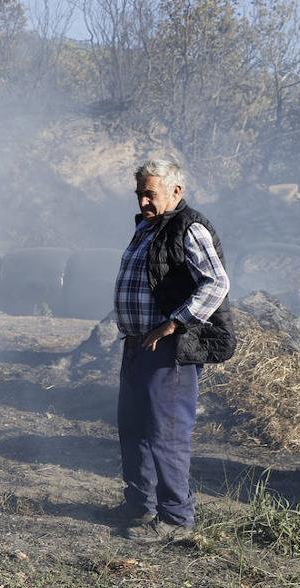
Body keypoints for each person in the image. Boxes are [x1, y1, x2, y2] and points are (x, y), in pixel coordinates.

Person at [111, 159, 234, 542]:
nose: (143, 201)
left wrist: (174, 322)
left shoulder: (189, 226)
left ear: (176, 191)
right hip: (137, 346)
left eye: (151, 194)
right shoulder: (149, 227)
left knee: (166, 433)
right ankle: (140, 506)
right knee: (133, 429)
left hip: (170, 350)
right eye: (139, 194)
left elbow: (216, 283)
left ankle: (176, 520)